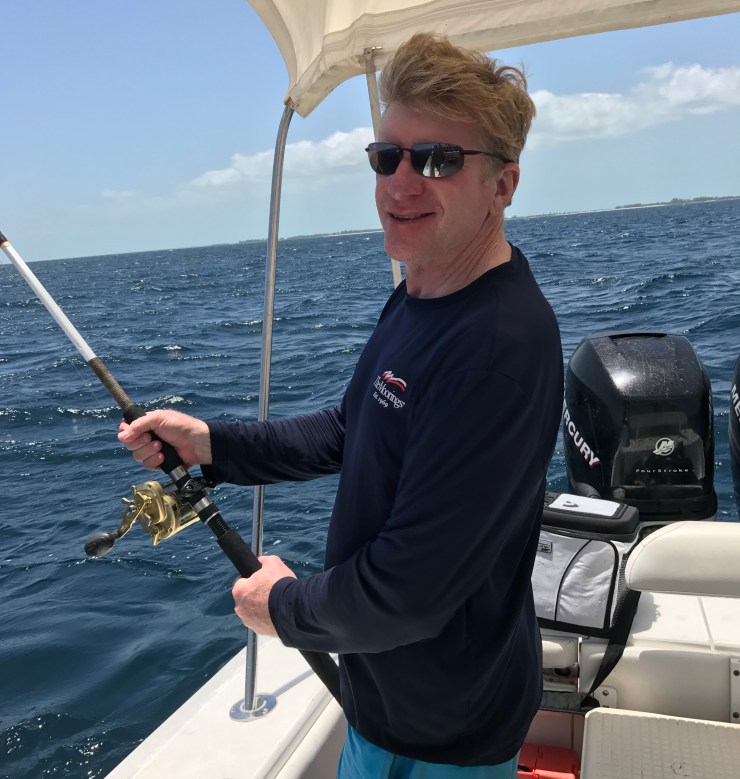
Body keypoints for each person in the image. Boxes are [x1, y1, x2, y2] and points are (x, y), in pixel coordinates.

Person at [119, 32, 563, 779]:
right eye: (388, 156)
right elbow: (354, 427)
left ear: (504, 184)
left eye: (438, 160)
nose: (401, 183)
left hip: (443, 733)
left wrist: (283, 606)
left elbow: (408, 594)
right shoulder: (420, 293)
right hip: (383, 701)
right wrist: (212, 446)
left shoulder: (495, 351)